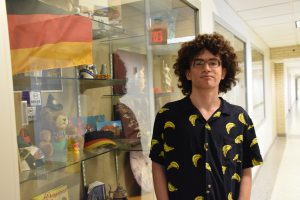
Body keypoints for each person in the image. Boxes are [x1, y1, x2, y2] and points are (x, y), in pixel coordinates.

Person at [149, 33, 263, 200]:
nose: (206, 68)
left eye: (213, 63)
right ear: (187, 73)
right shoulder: (167, 116)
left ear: (223, 72)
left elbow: (246, 169)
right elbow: (158, 164)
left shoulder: (239, 118)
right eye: (199, 63)